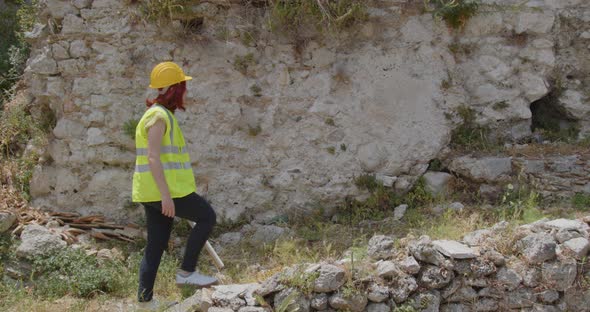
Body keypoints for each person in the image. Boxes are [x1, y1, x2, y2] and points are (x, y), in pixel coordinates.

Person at [132, 61, 218, 306]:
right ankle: (187, 273)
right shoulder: (159, 116)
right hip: (165, 192)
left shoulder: (158, 114)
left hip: (151, 192)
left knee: (156, 245)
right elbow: (152, 156)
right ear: (174, 89)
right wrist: (166, 196)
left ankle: (145, 301)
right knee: (207, 216)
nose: (185, 91)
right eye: (182, 86)